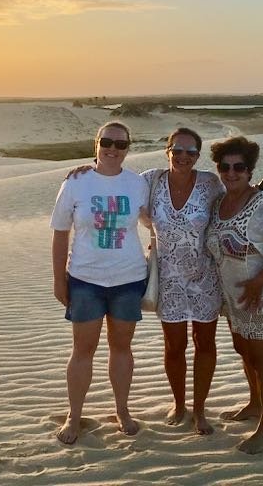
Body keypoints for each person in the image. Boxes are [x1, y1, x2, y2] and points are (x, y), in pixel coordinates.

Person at [68, 127, 224, 435]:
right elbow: (115, 180)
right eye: (177, 150)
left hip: (206, 277)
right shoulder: (150, 180)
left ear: (198, 155)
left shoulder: (210, 183)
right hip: (167, 277)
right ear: (166, 151)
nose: (183, 157)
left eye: (191, 152)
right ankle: (179, 405)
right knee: (173, 346)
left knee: (205, 344)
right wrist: (89, 168)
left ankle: (201, 411)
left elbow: (230, 209)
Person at [50, 121, 149, 445]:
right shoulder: (76, 182)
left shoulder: (137, 184)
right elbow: (60, 232)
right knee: (83, 350)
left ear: (128, 149)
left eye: (121, 144)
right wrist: (58, 280)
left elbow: (154, 221)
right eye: (107, 141)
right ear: (96, 144)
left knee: (121, 348)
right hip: (85, 279)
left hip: (128, 278)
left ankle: (122, 410)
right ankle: (74, 415)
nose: (113, 149)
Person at [206, 136, 263, 454]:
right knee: (243, 351)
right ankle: (254, 404)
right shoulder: (219, 203)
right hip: (233, 296)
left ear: (249, 169)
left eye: (239, 167)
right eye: (224, 167)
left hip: (260, 294)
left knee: (261, 359)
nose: (231, 173)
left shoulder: (262, 203)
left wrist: (259, 281)